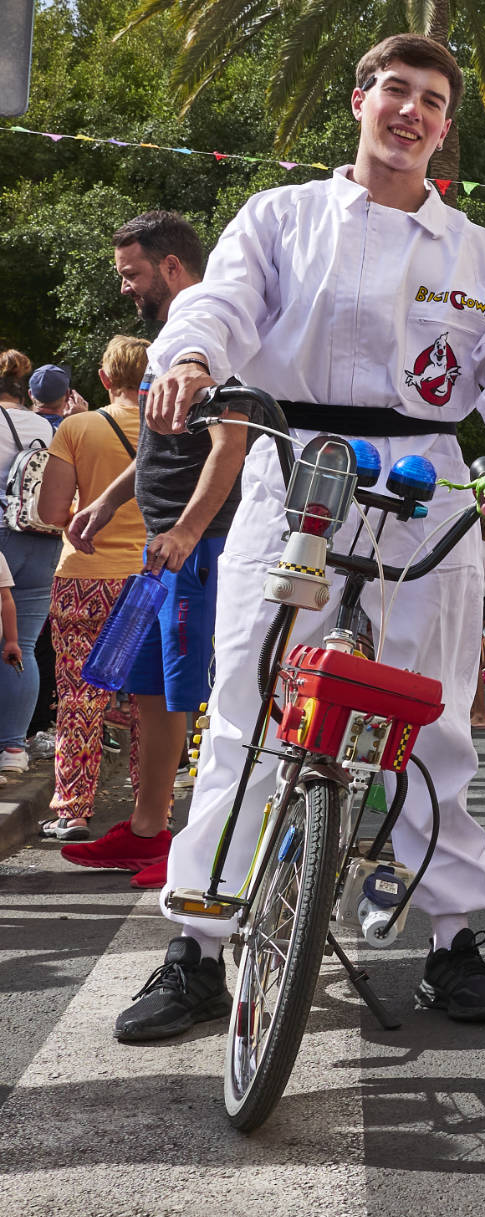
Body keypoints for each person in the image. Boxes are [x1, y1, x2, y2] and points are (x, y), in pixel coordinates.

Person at [115, 33, 485, 1043]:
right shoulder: (282, 218)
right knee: (245, 712)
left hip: (431, 483)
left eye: (432, 101)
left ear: (446, 127)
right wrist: (191, 357)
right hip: (300, 474)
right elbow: (221, 303)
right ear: (360, 101)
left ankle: (453, 943)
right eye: (396, 92)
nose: (411, 112)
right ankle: (196, 950)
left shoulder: (478, 253)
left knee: (437, 726)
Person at [58, 214, 247, 885]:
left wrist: (189, 532)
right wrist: (108, 502)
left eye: (131, 274)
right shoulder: (171, 342)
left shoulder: (219, 339)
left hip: (203, 548)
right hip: (163, 552)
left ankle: (198, 846)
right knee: (146, 686)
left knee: (192, 693)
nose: (124, 289)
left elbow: (231, 444)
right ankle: (147, 830)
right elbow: (158, 449)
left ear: (172, 268)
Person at [36, 335, 149, 842]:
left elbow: (50, 512)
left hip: (83, 577)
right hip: (152, 578)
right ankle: (153, 812)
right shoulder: (172, 431)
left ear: (104, 378)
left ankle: (74, 811)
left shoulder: (79, 427)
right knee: (152, 698)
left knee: (80, 694)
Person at [0, 350, 59, 778]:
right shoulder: (43, 426)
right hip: (41, 541)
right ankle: (15, 749)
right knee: (24, 646)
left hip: (1, 536)